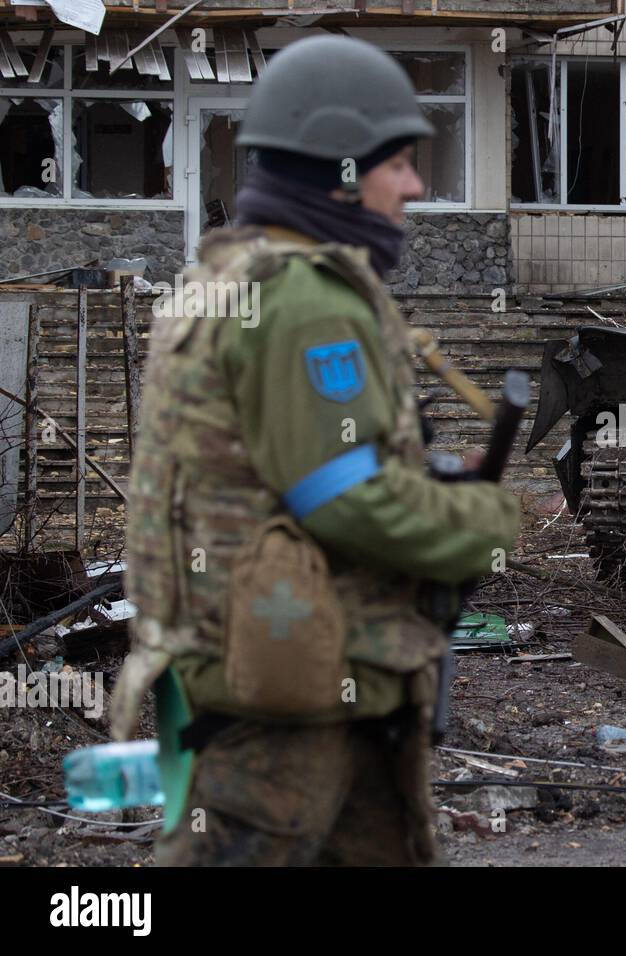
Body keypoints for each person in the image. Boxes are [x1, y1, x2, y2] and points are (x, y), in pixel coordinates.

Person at [110, 34, 520, 866]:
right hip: (286, 694)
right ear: (340, 165)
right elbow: (338, 491)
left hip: (282, 672)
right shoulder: (302, 299)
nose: (413, 185)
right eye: (399, 163)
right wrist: (488, 519)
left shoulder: (226, 277)